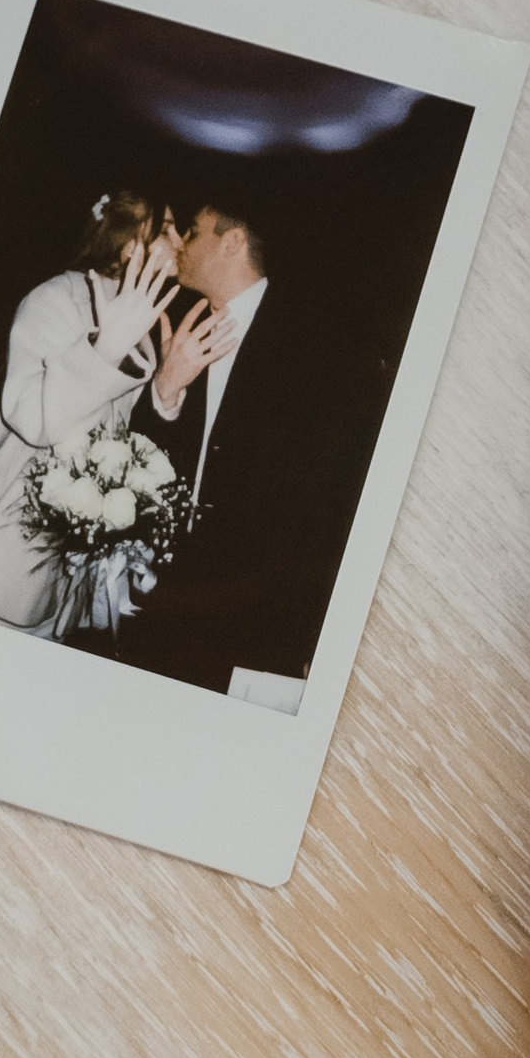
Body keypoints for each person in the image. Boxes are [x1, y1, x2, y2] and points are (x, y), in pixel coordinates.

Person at [107, 199, 338, 701]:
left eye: (193, 231)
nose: (181, 245)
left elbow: (323, 499)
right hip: (171, 600)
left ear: (232, 242)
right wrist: (165, 390)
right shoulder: (181, 323)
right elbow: (145, 460)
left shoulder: (312, 343)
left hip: (255, 615)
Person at [0, 193, 181, 631]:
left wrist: (165, 389)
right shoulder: (56, 299)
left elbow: (110, 430)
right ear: (131, 247)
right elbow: (34, 419)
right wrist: (105, 350)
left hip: (61, 582)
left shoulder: (134, 317)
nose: (180, 241)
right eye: (166, 230)